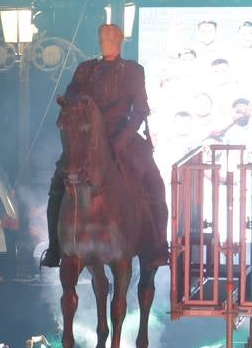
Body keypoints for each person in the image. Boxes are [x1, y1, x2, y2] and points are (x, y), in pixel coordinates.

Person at [42, 23, 167, 268]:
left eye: (110, 36)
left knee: (153, 180)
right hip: (87, 139)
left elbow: (140, 109)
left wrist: (123, 139)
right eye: (102, 36)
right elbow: (69, 101)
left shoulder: (132, 70)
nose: (105, 40)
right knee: (59, 183)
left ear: (120, 39)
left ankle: (158, 243)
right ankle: (56, 247)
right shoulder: (85, 70)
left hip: (123, 136)